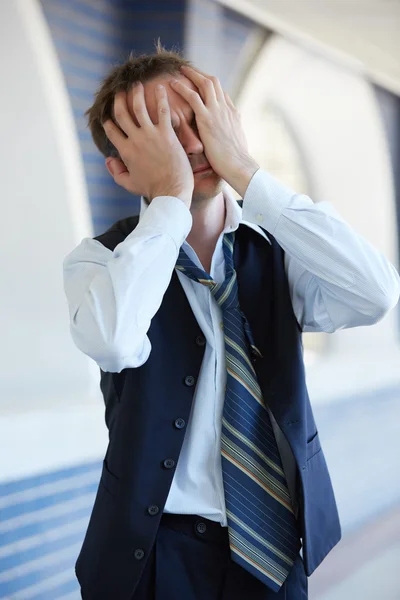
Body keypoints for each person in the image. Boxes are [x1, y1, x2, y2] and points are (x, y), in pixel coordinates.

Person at [62, 42, 400, 600]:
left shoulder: (282, 251)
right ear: (122, 168)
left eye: (197, 119)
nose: (193, 143)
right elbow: (115, 341)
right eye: (164, 134)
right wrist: (171, 198)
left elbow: (376, 294)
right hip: (150, 555)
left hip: (272, 546)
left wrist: (247, 171)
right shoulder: (99, 261)